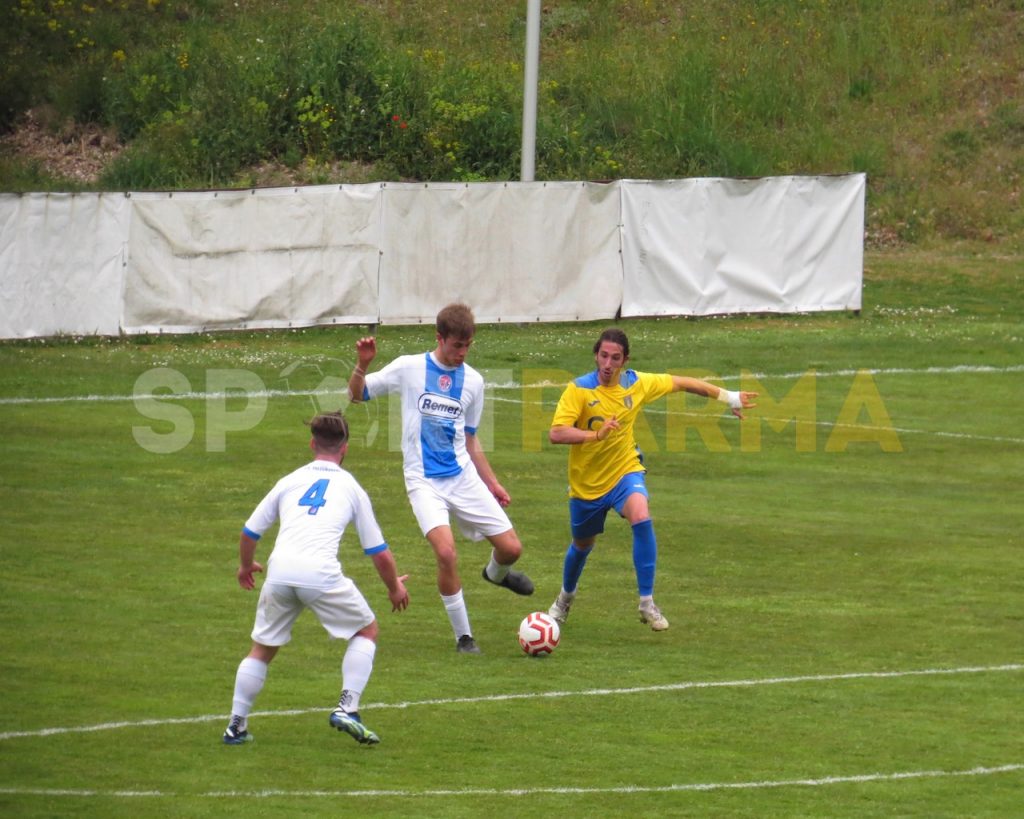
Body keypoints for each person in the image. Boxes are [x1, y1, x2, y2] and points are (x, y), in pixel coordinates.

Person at [347, 302, 533, 655]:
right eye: (456, 346)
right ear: (439, 338)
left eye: (467, 346)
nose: (462, 353)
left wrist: (492, 484)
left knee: (511, 549)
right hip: (423, 481)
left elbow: (471, 438)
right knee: (446, 553)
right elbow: (357, 395)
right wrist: (363, 365)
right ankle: (464, 637)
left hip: (462, 477)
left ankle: (495, 575)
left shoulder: (474, 382)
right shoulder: (409, 368)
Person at [546, 327, 757, 632]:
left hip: (624, 472)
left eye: (615, 358)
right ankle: (565, 598)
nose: (608, 364)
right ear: (595, 355)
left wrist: (730, 397)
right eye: (603, 356)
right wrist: (596, 434)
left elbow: (684, 383)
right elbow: (556, 432)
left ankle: (647, 602)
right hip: (587, 484)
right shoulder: (578, 390)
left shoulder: (637, 383)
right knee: (582, 545)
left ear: (625, 360)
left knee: (641, 516)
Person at [222, 411, 409, 747]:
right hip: (320, 574)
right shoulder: (351, 487)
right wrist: (394, 587)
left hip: (279, 573)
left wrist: (246, 566)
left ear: (312, 444)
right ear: (345, 448)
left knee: (262, 649)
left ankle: (236, 725)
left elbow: (250, 532)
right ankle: (347, 708)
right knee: (366, 630)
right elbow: (378, 552)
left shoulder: (289, 480)